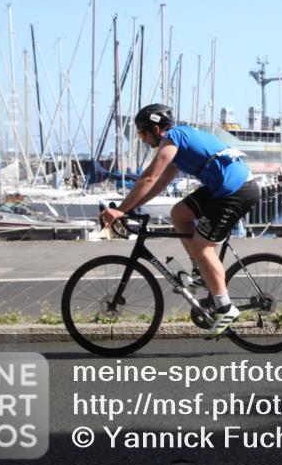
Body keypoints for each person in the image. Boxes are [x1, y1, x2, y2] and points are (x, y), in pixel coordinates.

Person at [99, 104, 259, 337]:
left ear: (156, 128)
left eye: (142, 133)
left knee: (203, 247)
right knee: (179, 214)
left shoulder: (173, 138)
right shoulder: (179, 145)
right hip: (223, 188)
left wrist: (121, 210)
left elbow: (149, 176)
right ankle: (199, 275)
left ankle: (225, 307)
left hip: (236, 190)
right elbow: (159, 183)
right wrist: (133, 207)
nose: (142, 139)